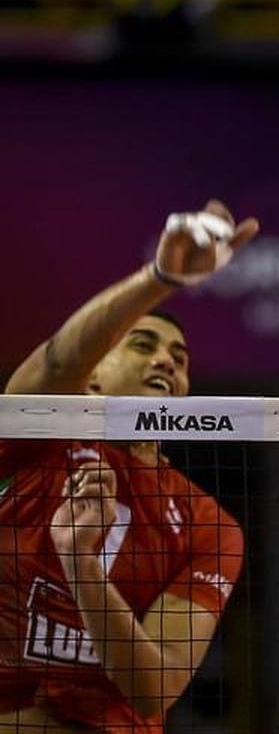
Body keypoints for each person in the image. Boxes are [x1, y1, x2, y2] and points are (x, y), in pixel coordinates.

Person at [0, 201, 259, 732]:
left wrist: (83, 568)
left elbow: (153, 689)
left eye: (180, 359)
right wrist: (161, 278)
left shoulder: (210, 524)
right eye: (142, 345)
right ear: (94, 375)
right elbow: (57, 362)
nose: (166, 360)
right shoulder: (35, 441)